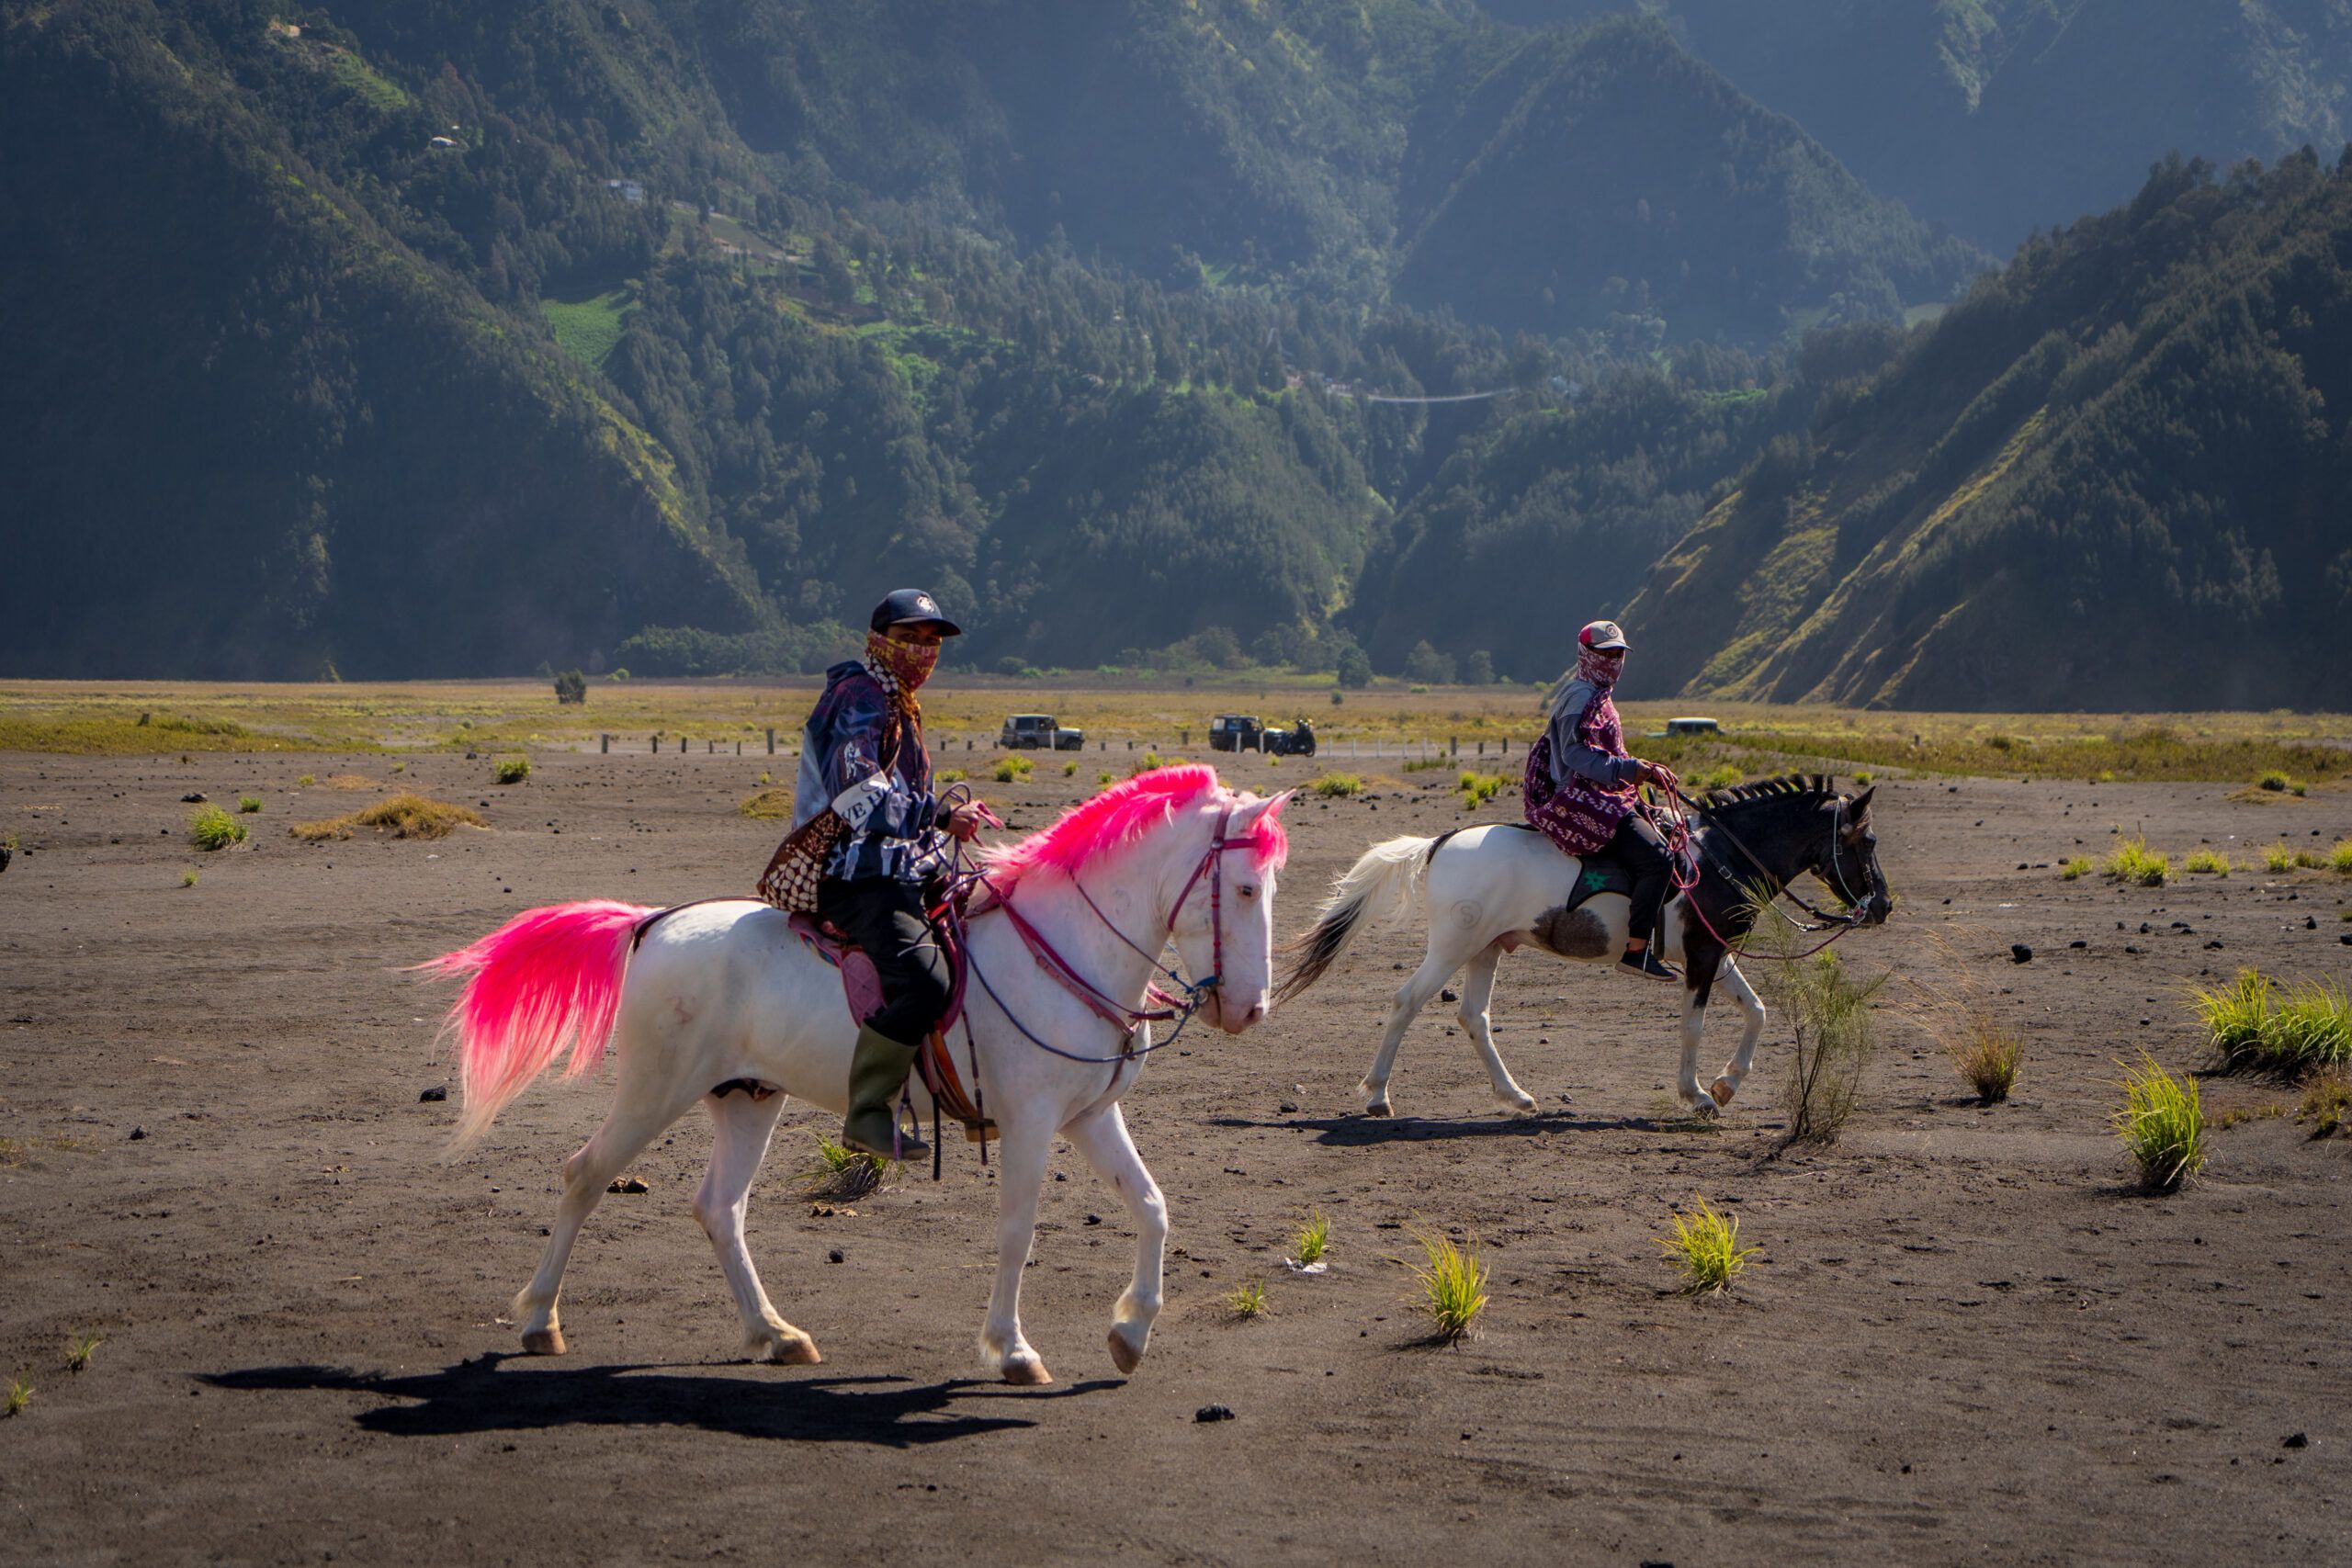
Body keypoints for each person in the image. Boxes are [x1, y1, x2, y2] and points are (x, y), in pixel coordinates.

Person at [791, 589, 991, 1157]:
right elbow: (857, 796)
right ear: (878, 641)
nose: (923, 651)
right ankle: (868, 1112)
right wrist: (942, 813)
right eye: (909, 639)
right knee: (926, 982)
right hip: (858, 877)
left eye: (931, 642)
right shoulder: (857, 696)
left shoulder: (895, 699)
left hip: (901, 868)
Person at [1522, 619, 1682, 980]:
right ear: (1587, 655)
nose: (1614, 661)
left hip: (1601, 788)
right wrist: (1630, 769)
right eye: (1606, 654)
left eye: (1619, 654)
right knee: (1658, 858)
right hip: (1580, 797)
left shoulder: (1597, 692)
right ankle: (1636, 951)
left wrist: (1640, 771)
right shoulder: (1580, 696)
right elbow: (1577, 756)